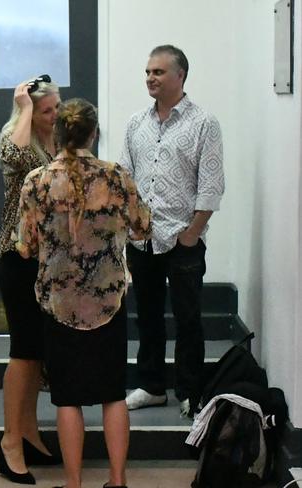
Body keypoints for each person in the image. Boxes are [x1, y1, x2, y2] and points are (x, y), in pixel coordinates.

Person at [17, 98, 151, 488]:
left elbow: (25, 246)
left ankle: (73, 483)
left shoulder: (38, 181)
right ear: (94, 133)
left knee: (67, 399)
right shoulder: (117, 177)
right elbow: (144, 227)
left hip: (59, 303)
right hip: (108, 300)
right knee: (113, 394)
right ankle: (117, 479)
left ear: (57, 133)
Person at [120, 45, 224, 418]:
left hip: (183, 238)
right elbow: (124, 177)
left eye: (159, 72)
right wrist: (130, 226)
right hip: (142, 240)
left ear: (180, 76)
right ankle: (151, 385)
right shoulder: (136, 123)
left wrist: (192, 233)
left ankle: (189, 390)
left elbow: (211, 184)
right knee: (146, 315)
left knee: (188, 317)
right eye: (148, 71)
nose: (150, 78)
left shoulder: (203, 123)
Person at [0, 75, 62, 485]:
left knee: (38, 352)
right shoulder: (15, 132)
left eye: (56, 108)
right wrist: (22, 108)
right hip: (17, 256)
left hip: (50, 261)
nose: (54, 115)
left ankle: (30, 431)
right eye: (46, 110)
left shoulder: (56, 138)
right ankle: (9, 443)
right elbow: (13, 156)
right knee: (23, 350)